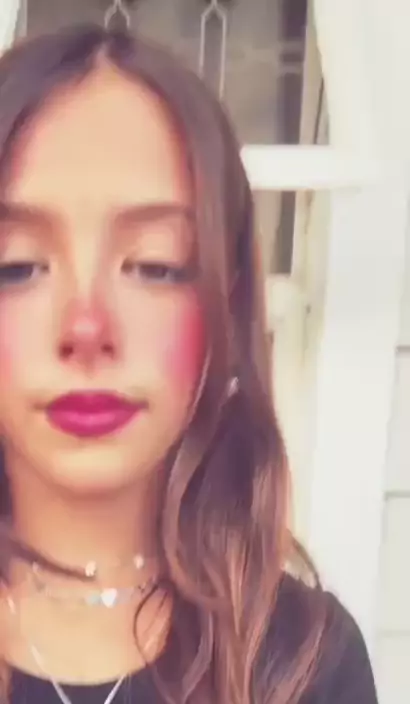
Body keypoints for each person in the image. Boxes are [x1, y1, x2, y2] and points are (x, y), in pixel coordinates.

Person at [0, 22, 378, 704]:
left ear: (226, 306)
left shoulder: (306, 662)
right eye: (18, 266)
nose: (86, 328)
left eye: (155, 265)